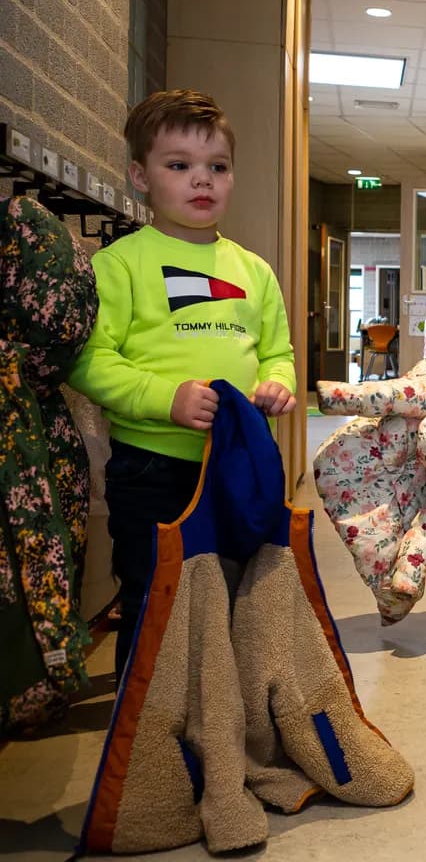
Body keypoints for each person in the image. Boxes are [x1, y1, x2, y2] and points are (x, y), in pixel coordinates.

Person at [68, 89, 297, 677]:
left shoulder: (254, 270)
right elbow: (90, 362)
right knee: (156, 596)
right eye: (180, 166)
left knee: (235, 587)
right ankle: (147, 729)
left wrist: (277, 383)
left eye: (216, 167)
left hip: (239, 461)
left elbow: (277, 352)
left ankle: (221, 712)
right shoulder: (120, 263)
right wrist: (165, 399)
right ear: (140, 177)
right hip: (151, 466)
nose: (203, 181)